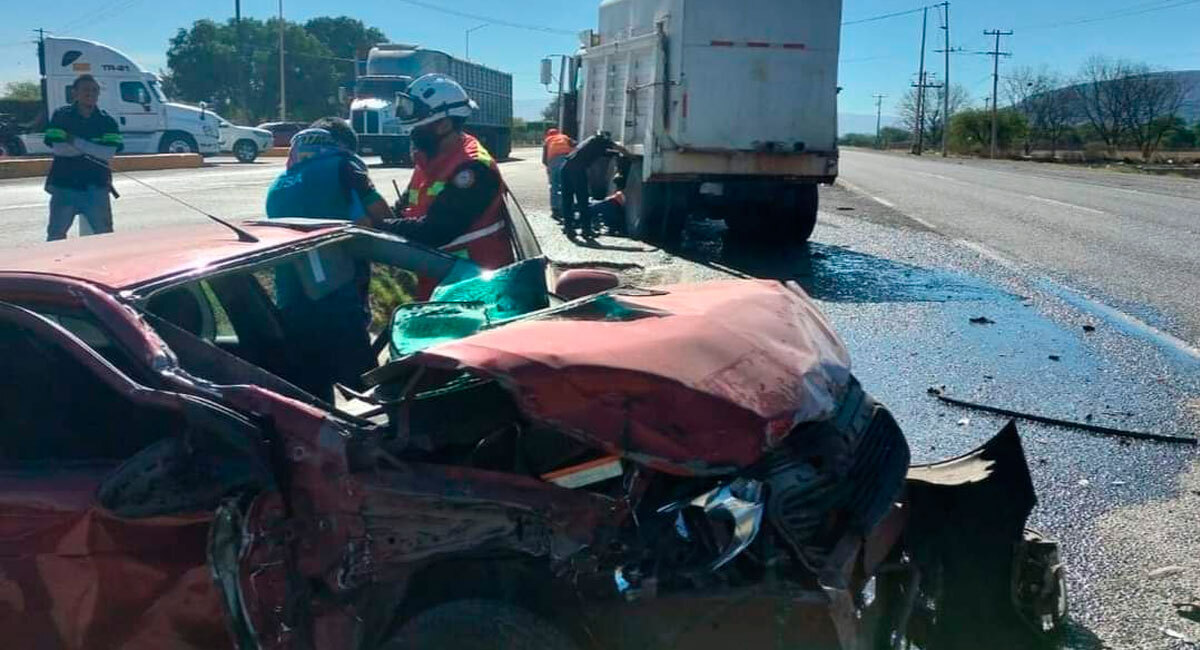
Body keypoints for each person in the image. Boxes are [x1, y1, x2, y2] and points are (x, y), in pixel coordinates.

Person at [264, 116, 394, 401]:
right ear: (343, 144)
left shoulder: (278, 184)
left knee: (314, 402)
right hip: (339, 300)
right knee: (370, 402)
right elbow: (375, 220)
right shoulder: (344, 165)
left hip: (291, 306)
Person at [368, 73, 516, 294]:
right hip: (438, 280)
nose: (412, 135)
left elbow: (436, 229)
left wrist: (374, 228)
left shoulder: (473, 168)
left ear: (444, 125)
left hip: (473, 286)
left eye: (417, 129)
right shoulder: (429, 159)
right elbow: (403, 210)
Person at [43, 74, 122, 241]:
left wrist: (73, 140)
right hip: (64, 187)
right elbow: (59, 149)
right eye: (86, 90)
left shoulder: (107, 121)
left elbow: (108, 154)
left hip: (97, 188)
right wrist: (93, 148)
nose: (90, 94)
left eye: (95, 90)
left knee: (106, 238)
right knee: (55, 238)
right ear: (75, 93)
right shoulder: (60, 116)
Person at [559, 131, 626, 240]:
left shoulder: (589, 141)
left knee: (567, 200)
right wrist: (630, 156)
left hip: (565, 168)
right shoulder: (603, 141)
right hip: (577, 170)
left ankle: (569, 229)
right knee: (583, 200)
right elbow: (619, 148)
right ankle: (586, 230)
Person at [542, 127, 573, 218]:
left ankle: (555, 209)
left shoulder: (548, 140)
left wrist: (549, 168)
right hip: (566, 160)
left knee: (554, 186)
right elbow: (575, 145)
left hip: (553, 161)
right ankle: (567, 207)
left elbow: (544, 158)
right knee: (565, 185)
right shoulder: (565, 137)